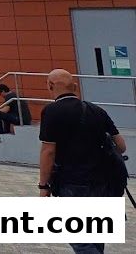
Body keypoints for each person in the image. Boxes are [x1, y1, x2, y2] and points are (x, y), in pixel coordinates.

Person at [38, 68, 127, 254]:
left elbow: (48, 151)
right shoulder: (96, 110)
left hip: (73, 181)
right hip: (104, 182)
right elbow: (121, 145)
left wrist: (43, 185)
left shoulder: (51, 111)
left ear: (50, 85)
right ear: (75, 87)